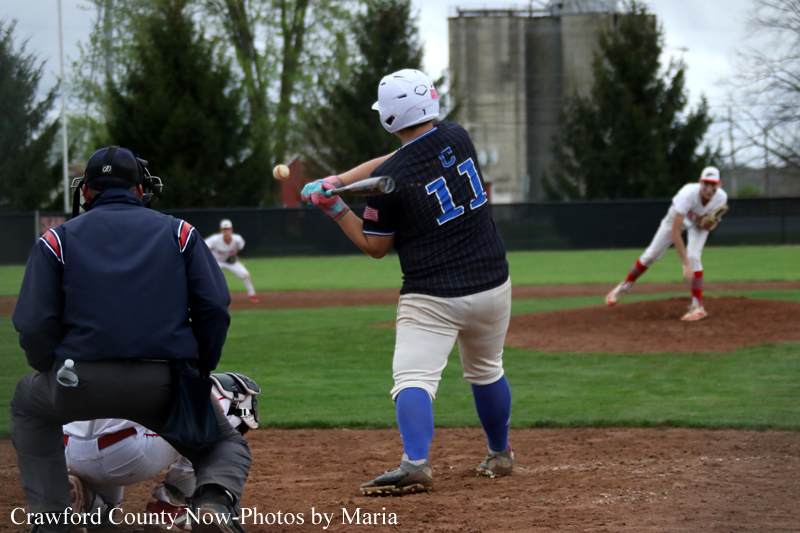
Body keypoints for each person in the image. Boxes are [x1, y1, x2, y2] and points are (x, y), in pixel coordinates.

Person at [11, 146, 251, 533]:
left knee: (28, 405)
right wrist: (198, 369)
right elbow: (213, 307)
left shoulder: (55, 240)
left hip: (78, 380)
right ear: (140, 189)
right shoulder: (181, 233)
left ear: (86, 192)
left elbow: (33, 322)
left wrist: (48, 367)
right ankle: (210, 501)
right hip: (163, 383)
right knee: (223, 444)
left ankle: (52, 521)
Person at [301, 69, 514, 496]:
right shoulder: (457, 135)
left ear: (390, 117)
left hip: (433, 293)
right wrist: (339, 180)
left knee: (413, 378)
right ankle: (500, 453)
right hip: (493, 283)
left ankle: (416, 462)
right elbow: (395, 163)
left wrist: (335, 207)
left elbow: (374, 245)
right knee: (487, 371)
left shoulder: (387, 188)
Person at [65, 372, 261, 532]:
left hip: (66, 450)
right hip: (124, 458)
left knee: (106, 489)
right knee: (207, 435)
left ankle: (92, 505)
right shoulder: (215, 394)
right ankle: (169, 511)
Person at [605, 166, 729, 321]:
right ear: (700, 182)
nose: (709, 188)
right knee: (651, 255)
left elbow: (711, 225)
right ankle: (625, 286)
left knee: (694, 257)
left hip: (697, 225)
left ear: (719, 185)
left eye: (713, 184)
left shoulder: (721, 198)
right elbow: (675, 230)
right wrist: (685, 264)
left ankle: (697, 307)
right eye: (706, 183)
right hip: (675, 219)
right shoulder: (688, 194)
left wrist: (710, 224)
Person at [205, 220, 259, 303]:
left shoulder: (238, 240)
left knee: (245, 275)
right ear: (221, 230)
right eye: (224, 229)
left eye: (228, 229)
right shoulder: (214, 239)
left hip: (231, 262)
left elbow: (240, 248)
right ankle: (207, 297)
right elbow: (203, 247)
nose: (226, 231)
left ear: (231, 230)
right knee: (208, 277)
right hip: (216, 262)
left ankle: (252, 295)